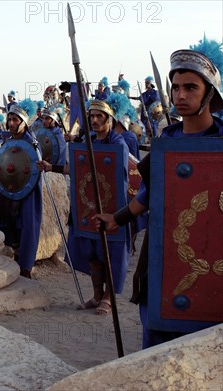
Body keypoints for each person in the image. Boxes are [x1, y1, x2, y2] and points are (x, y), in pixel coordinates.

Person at [94, 44, 223, 347]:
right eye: (175, 87)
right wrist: (117, 218)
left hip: (211, 259)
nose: (180, 95)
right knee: (158, 334)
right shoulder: (168, 140)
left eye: (191, 87)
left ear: (210, 94)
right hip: (166, 249)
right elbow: (150, 195)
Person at [39, 99, 131, 315]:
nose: (96, 120)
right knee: (92, 252)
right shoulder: (88, 140)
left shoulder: (119, 143)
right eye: (93, 116)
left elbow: (120, 177)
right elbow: (77, 169)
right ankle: (97, 295)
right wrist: (52, 167)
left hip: (111, 205)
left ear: (110, 119)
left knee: (110, 252)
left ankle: (108, 298)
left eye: (100, 116)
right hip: (87, 203)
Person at [0, 99, 41, 278]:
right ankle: (16, 266)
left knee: (25, 231)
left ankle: (25, 271)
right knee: (11, 231)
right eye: (9, 119)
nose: (11, 123)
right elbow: (2, 161)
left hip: (26, 195)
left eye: (15, 120)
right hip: (9, 193)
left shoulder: (32, 143)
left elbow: (35, 170)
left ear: (23, 122)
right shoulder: (9, 141)